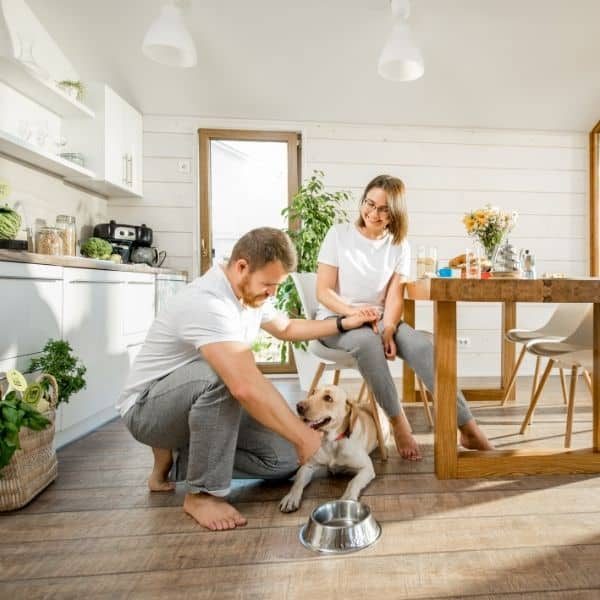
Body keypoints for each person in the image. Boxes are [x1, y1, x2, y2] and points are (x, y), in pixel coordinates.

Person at [117, 227, 375, 531]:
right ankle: (202, 493)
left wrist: (344, 321)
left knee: (286, 459)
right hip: (148, 410)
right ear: (241, 267)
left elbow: (288, 328)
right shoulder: (208, 302)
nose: (272, 293)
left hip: (199, 409)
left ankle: (178, 462)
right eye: (269, 284)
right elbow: (242, 384)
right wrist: (302, 434)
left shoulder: (249, 295)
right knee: (228, 375)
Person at [316, 174, 494, 461]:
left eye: (383, 209)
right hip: (337, 320)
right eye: (369, 204)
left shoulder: (399, 245)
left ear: (395, 213)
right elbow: (323, 291)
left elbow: (394, 295)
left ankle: (468, 427)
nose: (373, 213)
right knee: (367, 343)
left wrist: (388, 329)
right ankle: (399, 424)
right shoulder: (339, 235)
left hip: (378, 320)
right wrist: (354, 313)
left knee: (424, 346)